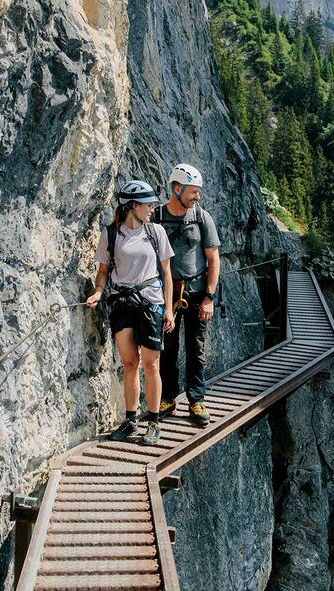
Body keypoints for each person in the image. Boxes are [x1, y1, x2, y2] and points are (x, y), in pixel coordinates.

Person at [86, 180, 175, 445]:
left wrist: (169, 309)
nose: (152, 209)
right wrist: (98, 292)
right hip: (123, 304)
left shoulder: (156, 232)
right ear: (132, 206)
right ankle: (130, 420)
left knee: (151, 364)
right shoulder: (111, 234)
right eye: (148, 205)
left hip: (151, 304)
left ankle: (154, 422)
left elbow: (167, 274)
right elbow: (102, 272)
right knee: (129, 364)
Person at [153, 163, 221, 425]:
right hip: (166, 293)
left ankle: (196, 401)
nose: (197, 197)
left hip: (195, 293)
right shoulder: (157, 216)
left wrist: (209, 297)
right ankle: (168, 398)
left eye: (198, 193)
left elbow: (214, 259)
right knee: (167, 347)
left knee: (196, 347)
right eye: (193, 192)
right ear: (177, 188)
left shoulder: (202, 218)